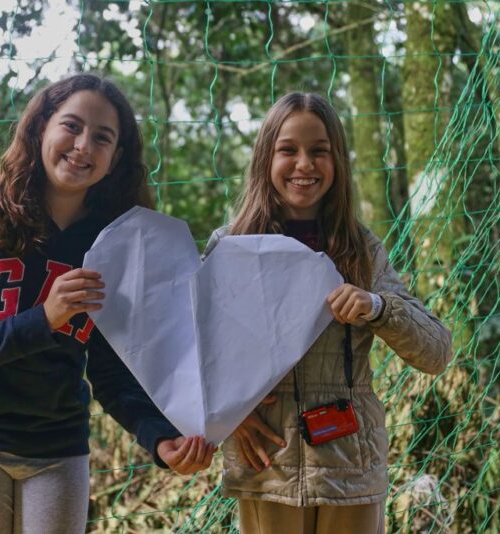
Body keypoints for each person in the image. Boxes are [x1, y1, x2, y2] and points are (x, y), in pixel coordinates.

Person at [0, 73, 215, 534]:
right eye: (72, 126)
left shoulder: (116, 244)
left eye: (102, 137)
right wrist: (45, 318)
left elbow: (112, 368)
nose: (83, 145)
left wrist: (158, 437)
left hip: (57, 443)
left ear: (115, 158)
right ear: (42, 127)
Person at [202, 93, 452, 534]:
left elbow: (436, 352)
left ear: (338, 161)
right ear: (265, 158)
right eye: (288, 150)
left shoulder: (361, 249)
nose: (304, 164)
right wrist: (229, 413)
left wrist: (376, 308)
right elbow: (196, 358)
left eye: (320, 150)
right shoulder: (229, 247)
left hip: (350, 472)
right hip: (267, 471)